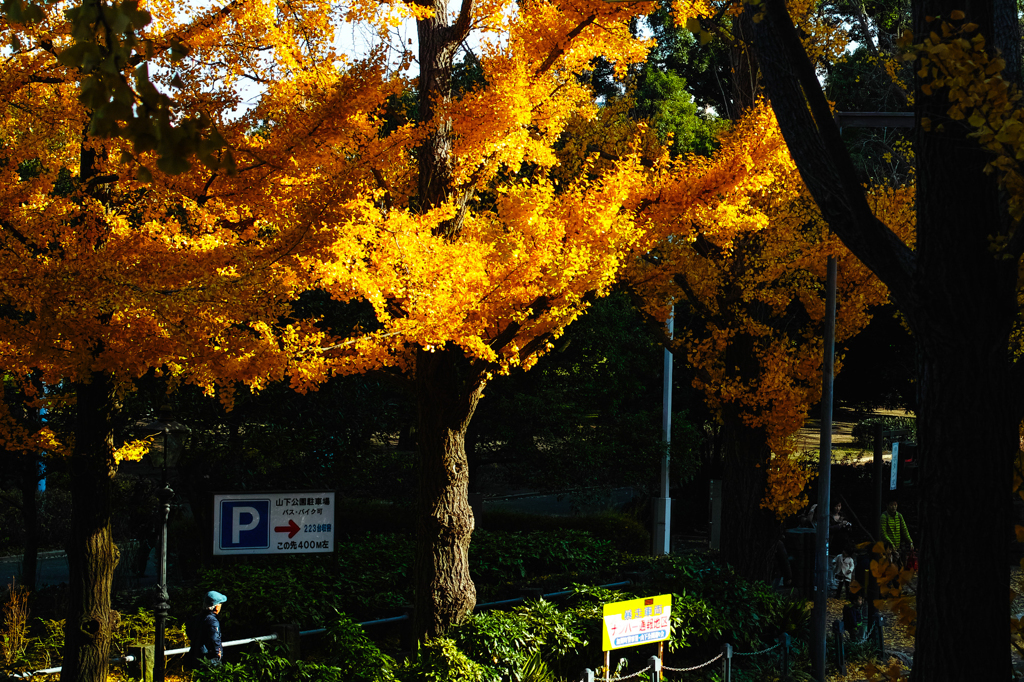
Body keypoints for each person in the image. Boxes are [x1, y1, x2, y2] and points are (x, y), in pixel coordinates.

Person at [186, 590, 227, 668]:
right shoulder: (212, 621)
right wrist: (219, 655)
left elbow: (189, 632)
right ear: (216, 606)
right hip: (208, 659)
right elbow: (215, 639)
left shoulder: (197, 618)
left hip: (195, 655)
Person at [880, 499, 913, 565]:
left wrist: (910, 541)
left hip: (897, 546)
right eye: (891, 505)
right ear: (888, 506)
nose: (894, 507)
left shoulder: (899, 516)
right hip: (888, 547)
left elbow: (904, 530)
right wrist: (891, 544)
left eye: (895, 505)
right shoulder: (884, 516)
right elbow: (883, 533)